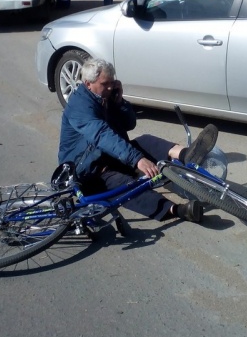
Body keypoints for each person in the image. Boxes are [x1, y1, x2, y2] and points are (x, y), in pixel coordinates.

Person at [58, 58, 218, 223]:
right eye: (105, 84)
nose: (110, 87)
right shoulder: (79, 105)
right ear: (88, 83)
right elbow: (101, 135)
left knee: (146, 141)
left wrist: (120, 102)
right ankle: (178, 210)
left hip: (108, 155)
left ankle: (187, 154)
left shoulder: (105, 98)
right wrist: (137, 160)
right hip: (86, 170)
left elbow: (129, 124)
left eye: (113, 82)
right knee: (126, 186)